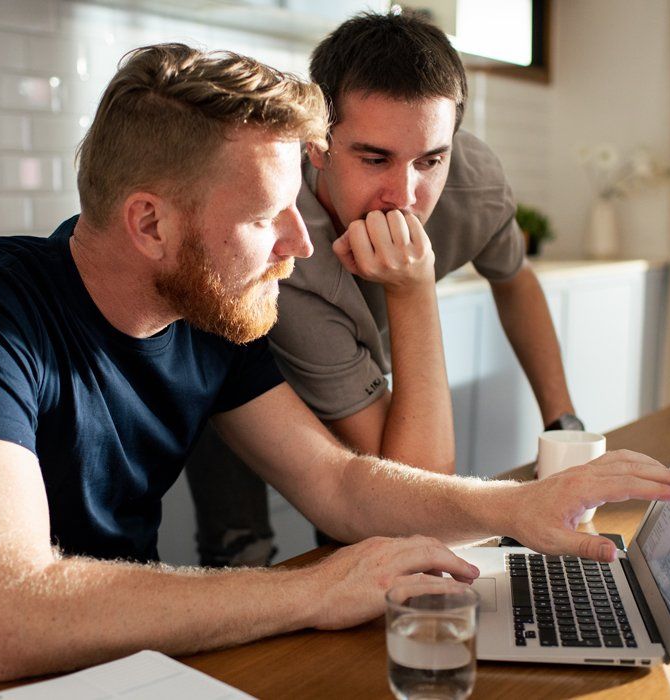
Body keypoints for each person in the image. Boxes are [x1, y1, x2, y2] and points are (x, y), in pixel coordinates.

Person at [0, 43, 670, 699]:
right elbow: (9, 620)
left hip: (128, 666)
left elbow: (337, 485)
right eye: (267, 217)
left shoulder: (205, 314)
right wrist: (310, 591)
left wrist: (516, 505)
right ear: (149, 224)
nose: (300, 245)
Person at [186, 10, 585, 566]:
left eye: (431, 159)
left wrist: (563, 424)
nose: (404, 193)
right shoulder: (285, 245)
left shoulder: (475, 184)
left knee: (365, 533)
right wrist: (414, 290)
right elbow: (416, 489)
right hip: (239, 355)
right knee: (245, 551)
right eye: (374, 159)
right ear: (318, 145)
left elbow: (514, 281)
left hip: (358, 358)